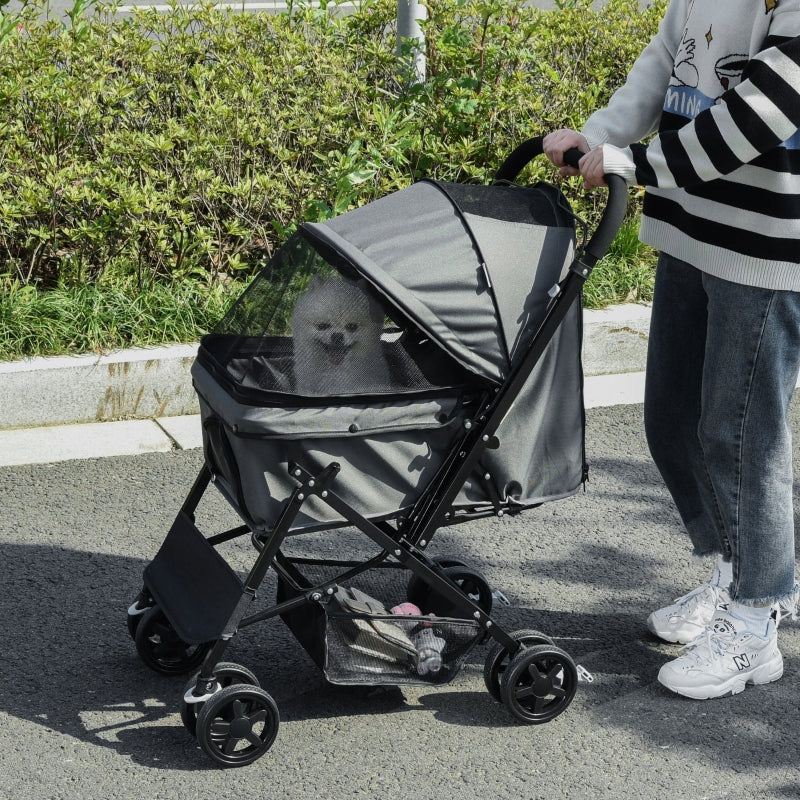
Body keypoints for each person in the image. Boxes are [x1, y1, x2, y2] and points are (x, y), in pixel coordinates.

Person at [543, 0, 800, 700]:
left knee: (742, 437)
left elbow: (769, 108)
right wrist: (597, 139)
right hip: (692, 225)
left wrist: (639, 161)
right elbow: (660, 67)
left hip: (765, 245)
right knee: (672, 421)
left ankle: (754, 624)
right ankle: (734, 578)